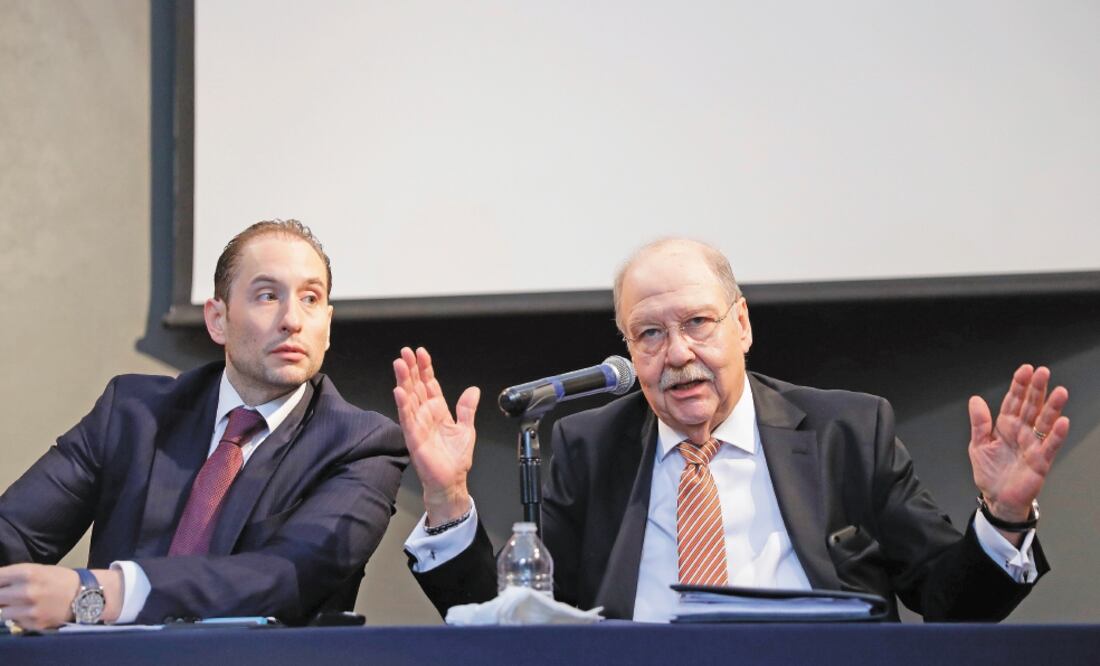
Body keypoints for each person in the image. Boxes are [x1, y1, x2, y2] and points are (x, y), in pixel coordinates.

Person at [394, 238, 1069, 622]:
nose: (677, 354)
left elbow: (952, 604)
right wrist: (448, 498)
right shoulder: (589, 447)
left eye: (698, 323)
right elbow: (511, 621)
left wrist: (1004, 516)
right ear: (628, 349)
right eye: (649, 334)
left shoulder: (846, 432)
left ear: (741, 324)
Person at [0, 220, 406, 629]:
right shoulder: (132, 413)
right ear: (218, 319)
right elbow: (13, 533)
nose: (292, 320)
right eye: (268, 296)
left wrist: (103, 592)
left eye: (310, 299)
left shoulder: (362, 445)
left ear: (327, 326)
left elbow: (287, 575)